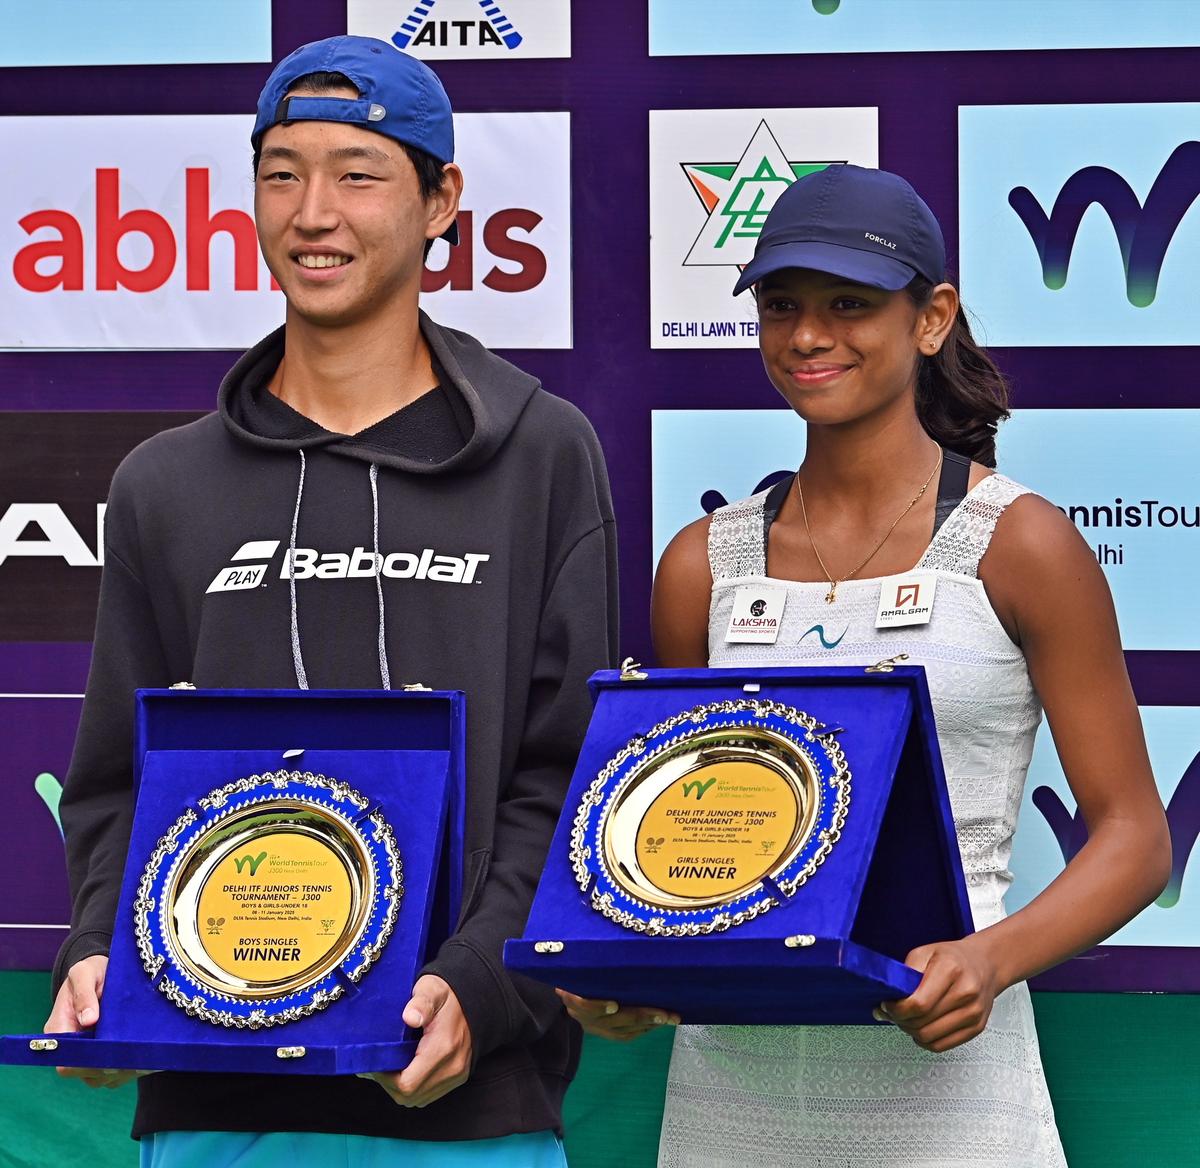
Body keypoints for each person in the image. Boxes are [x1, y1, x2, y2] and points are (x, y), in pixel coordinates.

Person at [45, 36, 617, 1168]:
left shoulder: (545, 456)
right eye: (281, 172)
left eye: (358, 173)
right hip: (216, 1105)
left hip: (466, 1102)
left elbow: (568, 776)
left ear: (441, 199)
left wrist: (482, 982)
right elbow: (116, 782)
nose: (314, 212)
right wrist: (99, 947)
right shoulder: (163, 483)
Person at [561, 165, 1169, 1166]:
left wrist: (989, 958)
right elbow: (681, 835)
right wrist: (625, 974)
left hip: (955, 1090)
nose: (807, 335)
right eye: (782, 305)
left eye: (849, 304)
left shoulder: (1021, 544)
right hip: (733, 1098)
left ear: (931, 319)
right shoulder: (700, 564)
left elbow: (1138, 837)